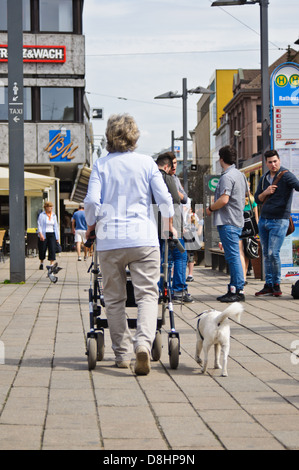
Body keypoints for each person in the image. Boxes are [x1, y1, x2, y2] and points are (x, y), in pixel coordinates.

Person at [84, 114, 175, 376]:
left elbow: (91, 202)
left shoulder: (101, 165)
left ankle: (122, 354)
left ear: (110, 136)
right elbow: (165, 201)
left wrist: (92, 223)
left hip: (110, 240)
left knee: (113, 299)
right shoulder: (147, 163)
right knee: (147, 294)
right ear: (134, 135)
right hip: (143, 238)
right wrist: (167, 220)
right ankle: (143, 344)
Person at [254, 149, 299, 297]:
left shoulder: (286, 176)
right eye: (270, 162)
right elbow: (256, 199)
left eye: (275, 161)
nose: (273, 164)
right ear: (266, 163)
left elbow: (297, 186)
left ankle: (276, 285)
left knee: (274, 253)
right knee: (266, 254)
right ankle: (268, 285)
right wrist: (266, 192)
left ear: (279, 160)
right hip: (264, 220)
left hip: (279, 220)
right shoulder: (265, 177)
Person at [206, 145, 246, 302]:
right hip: (236, 219)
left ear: (221, 159)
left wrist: (210, 208)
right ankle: (234, 287)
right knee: (234, 255)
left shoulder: (227, 177)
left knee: (233, 256)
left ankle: (237, 290)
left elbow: (224, 199)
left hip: (228, 221)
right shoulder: (239, 175)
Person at [168, 153, 193, 303]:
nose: (175, 166)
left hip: (176, 221)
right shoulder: (167, 179)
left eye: (176, 162)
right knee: (180, 256)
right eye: (172, 163)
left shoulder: (175, 178)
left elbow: (184, 196)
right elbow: (180, 197)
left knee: (172, 257)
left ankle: (170, 289)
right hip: (171, 223)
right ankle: (178, 290)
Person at [239, 181, 259, 284]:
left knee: (240, 252)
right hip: (250, 230)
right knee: (247, 253)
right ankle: (244, 277)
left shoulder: (238, 200)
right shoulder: (252, 201)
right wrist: (256, 232)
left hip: (239, 228)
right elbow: (256, 218)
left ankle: (242, 277)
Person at [37, 201, 60, 270]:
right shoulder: (42, 215)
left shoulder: (53, 215)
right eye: (49, 206)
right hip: (44, 233)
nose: (50, 208)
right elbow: (39, 225)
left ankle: (51, 264)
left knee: (52, 248)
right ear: (46, 207)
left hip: (52, 233)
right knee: (42, 249)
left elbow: (56, 226)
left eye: (51, 206)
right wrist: (40, 234)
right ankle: (41, 262)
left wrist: (57, 237)